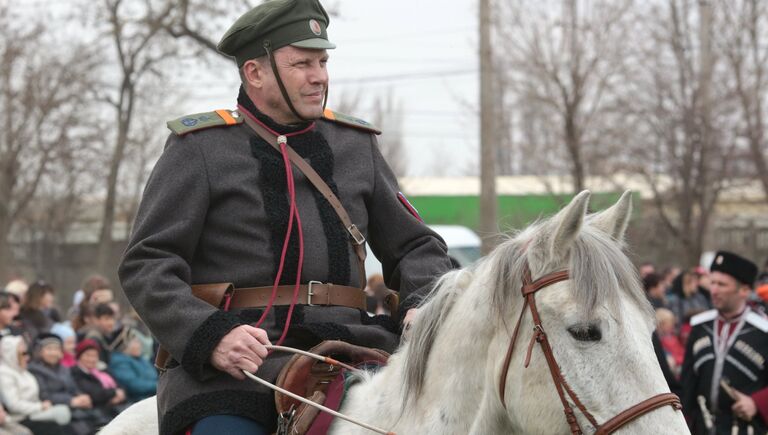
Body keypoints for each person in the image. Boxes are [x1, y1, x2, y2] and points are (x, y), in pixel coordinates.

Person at [117, 0, 453, 433]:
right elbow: (147, 264)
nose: (319, 76)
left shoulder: (356, 145)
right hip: (243, 365)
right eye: (302, 64)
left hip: (355, 347)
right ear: (255, 72)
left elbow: (417, 245)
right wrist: (212, 335)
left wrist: (422, 304)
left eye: (323, 61)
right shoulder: (199, 148)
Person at [681, 251, 768, 434]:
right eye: (712, 282)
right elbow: (687, 383)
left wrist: (756, 402)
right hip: (702, 427)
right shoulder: (700, 326)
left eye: (722, 284)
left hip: (745, 427)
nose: (714, 290)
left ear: (744, 290)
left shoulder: (763, 331)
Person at [0, 336, 73, 435]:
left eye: (28, 353)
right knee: (56, 426)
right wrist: (40, 406)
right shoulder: (4, 373)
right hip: (20, 418)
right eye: (23, 354)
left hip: (36, 413)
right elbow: (13, 405)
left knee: (64, 416)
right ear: (11, 353)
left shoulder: (23, 371)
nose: (27, 357)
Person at [27, 334, 98, 435]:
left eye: (56, 349)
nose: (53, 353)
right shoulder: (34, 370)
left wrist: (81, 396)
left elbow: (73, 388)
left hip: (75, 407)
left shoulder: (63, 368)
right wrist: (70, 401)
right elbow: (44, 395)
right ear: (39, 351)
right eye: (49, 349)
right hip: (57, 409)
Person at [70, 340, 127, 419]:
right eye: (87, 355)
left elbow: (119, 385)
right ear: (79, 356)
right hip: (97, 411)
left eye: (94, 356)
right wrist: (115, 393)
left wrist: (120, 394)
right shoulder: (76, 372)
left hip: (115, 405)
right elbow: (95, 394)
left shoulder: (102, 369)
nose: (91, 359)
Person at [107, 327, 157, 403]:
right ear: (125, 345)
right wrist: (160, 386)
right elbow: (135, 386)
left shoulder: (140, 359)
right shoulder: (119, 362)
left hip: (153, 397)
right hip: (138, 402)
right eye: (135, 342)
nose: (139, 345)